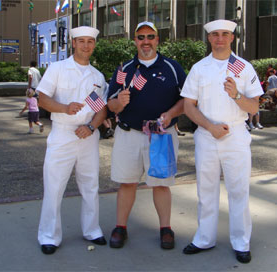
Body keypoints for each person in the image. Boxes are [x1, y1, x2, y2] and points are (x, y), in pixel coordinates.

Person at [181, 19, 263, 264]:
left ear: (232, 38)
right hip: (207, 136)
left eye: (224, 34)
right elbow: (188, 105)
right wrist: (210, 127)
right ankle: (204, 238)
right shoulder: (199, 68)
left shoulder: (244, 68)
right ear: (209, 38)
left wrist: (236, 94)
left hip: (236, 135)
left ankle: (241, 242)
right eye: (215, 34)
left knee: (239, 191)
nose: (219, 38)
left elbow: (254, 106)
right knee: (206, 190)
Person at [107, 21, 186, 250]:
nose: (146, 41)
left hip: (161, 135)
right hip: (129, 134)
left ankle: (165, 229)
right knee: (127, 182)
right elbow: (110, 104)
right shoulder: (125, 69)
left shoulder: (172, 67)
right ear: (135, 41)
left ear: (157, 40)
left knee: (161, 184)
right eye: (141, 37)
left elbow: (187, 100)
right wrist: (118, 103)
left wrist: (171, 114)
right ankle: (120, 227)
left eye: (150, 36)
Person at [36, 26, 108, 255]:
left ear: (94, 45)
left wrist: (91, 126)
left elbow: (101, 109)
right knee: (54, 185)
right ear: (73, 43)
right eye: (81, 41)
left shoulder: (97, 76)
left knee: (90, 185)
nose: (86, 45)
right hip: (63, 133)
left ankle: (92, 229)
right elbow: (42, 99)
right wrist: (65, 108)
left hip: (87, 135)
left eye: (90, 41)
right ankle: (49, 235)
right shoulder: (58, 69)